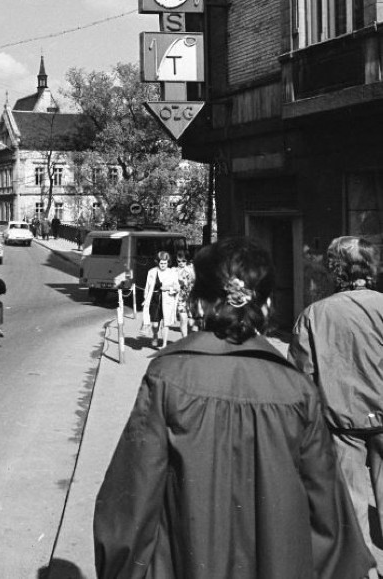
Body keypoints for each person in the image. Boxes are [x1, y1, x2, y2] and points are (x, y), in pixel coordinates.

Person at [94, 236, 374, 579]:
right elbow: (329, 520)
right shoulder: (296, 390)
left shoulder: (167, 377)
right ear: (267, 306)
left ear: (198, 304)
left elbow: (129, 507)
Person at [290, 236, 383, 578]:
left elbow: (302, 375)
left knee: (352, 499)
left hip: (342, 421)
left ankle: (361, 570)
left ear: (335, 271)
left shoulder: (316, 314)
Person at [142, 250, 180, 348]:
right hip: (154, 299)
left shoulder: (172, 273)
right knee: (155, 324)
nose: (162, 265)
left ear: (168, 263)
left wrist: (168, 288)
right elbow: (147, 287)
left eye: (165, 263)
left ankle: (164, 344)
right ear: (157, 262)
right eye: (161, 263)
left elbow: (177, 288)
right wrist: (145, 299)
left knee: (165, 323)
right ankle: (155, 335)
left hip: (167, 300)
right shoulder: (152, 272)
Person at [175, 250, 195, 337]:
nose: (181, 263)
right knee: (183, 319)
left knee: (191, 323)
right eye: (179, 261)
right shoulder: (174, 271)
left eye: (183, 261)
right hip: (180, 298)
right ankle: (184, 340)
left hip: (192, 298)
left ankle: (191, 340)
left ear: (187, 261)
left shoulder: (191, 270)